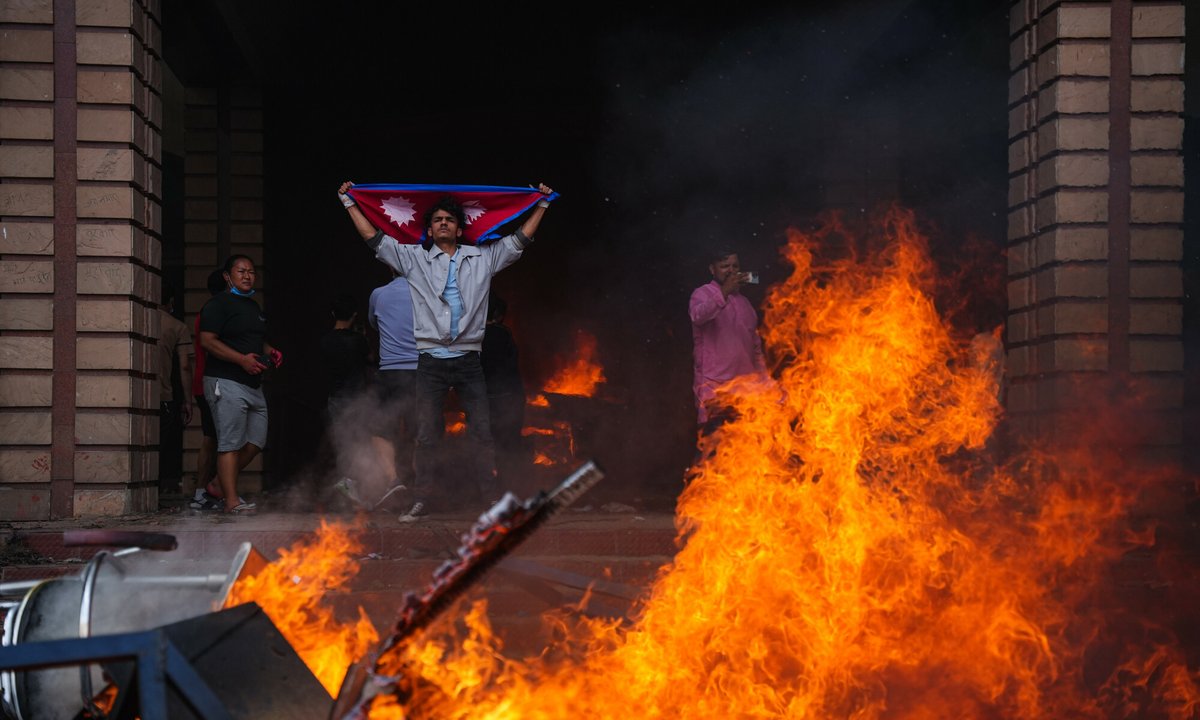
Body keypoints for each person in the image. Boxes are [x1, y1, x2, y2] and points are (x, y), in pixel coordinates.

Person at [338, 180, 554, 520]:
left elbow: (519, 241)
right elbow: (373, 240)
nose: (443, 223)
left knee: (482, 433)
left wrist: (541, 204)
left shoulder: (482, 258)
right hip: (431, 363)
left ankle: (489, 502)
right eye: (437, 219)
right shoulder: (414, 260)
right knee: (426, 436)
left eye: (449, 220)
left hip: (469, 361)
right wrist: (349, 201)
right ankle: (421, 500)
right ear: (428, 228)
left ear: (459, 227)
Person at [194, 254, 281, 514]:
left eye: (251, 272)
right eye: (241, 271)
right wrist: (241, 360)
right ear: (227, 276)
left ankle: (218, 484)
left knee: (255, 441)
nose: (247, 276)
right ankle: (231, 502)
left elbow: (254, 341)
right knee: (230, 443)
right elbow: (207, 341)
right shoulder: (217, 305)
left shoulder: (253, 307)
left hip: (252, 383)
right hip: (225, 380)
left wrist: (270, 350)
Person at [689, 248, 767, 435]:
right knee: (714, 451)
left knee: (745, 453)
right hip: (715, 391)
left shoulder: (746, 304)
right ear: (712, 269)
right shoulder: (702, 294)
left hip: (747, 392)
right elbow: (698, 316)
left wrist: (766, 383)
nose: (731, 270)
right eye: (725, 266)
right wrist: (724, 292)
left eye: (735, 266)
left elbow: (756, 349)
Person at [364, 270, 420, 503]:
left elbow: (375, 324)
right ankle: (419, 486)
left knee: (380, 430)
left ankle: (393, 479)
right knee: (420, 431)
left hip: (390, 370)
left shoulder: (379, 294)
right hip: (421, 371)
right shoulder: (426, 293)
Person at [190, 269, 226, 498]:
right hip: (213, 383)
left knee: (213, 439)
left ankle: (205, 491)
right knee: (214, 440)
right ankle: (207, 489)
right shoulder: (216, 311)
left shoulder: (208, 311)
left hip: (204, 382)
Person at [155, 284, 193, 496]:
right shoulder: (177, 327)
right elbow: (185, 366)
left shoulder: (137, 319)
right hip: (164, 395)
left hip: (132, 397)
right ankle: (157, 493)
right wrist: (187, 401)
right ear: (170, 302)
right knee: (161, 448)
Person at [481, 294, 525, 456]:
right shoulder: (504, 334)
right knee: (509, 444)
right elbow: (512, 362)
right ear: (498, 315)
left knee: (486, 445)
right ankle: (508, 476)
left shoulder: (472, 336)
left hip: (485, 400)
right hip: (508, 398)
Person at [320, 292, 370, 419]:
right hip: (357, 397)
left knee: (340, 436)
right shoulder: (358, 340)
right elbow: (371, 358)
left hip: (335, 397)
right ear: (354, 315)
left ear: (333, 313)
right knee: (359, 436)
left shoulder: (325, 341)